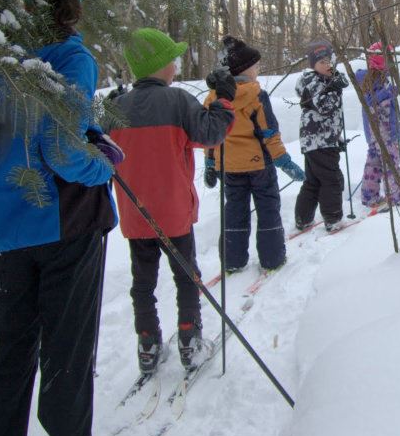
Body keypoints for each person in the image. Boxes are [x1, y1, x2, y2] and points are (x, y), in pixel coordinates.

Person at [0, 0, 118, 436]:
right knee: (66, 360)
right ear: (69, 4)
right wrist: (107, 161)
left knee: (9, 361)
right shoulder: (70, 57)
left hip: (7, 233)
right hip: (64, 227)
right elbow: (62, 151)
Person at [107, 28, 236, 374]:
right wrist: (224, 100)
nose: (177, 65)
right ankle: (189, 341)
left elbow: (102, 155)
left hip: (136, 215)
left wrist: (110, 108)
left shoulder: (116, 110)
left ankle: (147, 345)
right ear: (160, 66)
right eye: (172, 60)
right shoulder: (177, 101)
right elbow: (211, 134)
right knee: (186, 277)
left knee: (143, 283)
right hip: (174, 214)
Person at [203, 35, 304, 272]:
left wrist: (210, 163)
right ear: (246, 69)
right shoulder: (256, 95)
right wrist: (284, 161)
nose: (258, 70)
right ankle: (273, 258)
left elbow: (210, 133)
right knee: (268, 209)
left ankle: (232, 260)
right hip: (260, 167)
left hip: (229, 166)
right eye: (256, 66)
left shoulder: (213, 97)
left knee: (234, 210)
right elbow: (269, 132)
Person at [293, 39, 350, 232]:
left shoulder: (325, 79)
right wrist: (334, 88)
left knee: (314, 181)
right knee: (331, 180)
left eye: (329, 61)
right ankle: (333, 219)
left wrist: (337, 139)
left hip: (320, 141)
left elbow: (342, 83)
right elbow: (325, 107)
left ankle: (303, 218)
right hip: (319, 142)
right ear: (313, 65)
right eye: (321, 62)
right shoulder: (313, 82)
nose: (327, 65)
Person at [356, 42, 400, 209]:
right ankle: (396, 197)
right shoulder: (370, 80)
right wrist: (388, 93)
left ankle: (369, 196)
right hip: (382, 133)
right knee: (391, 163)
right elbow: (370, 101)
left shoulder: (379, 78)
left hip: (379, 132)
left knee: (375, 163)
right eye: (389, 59)